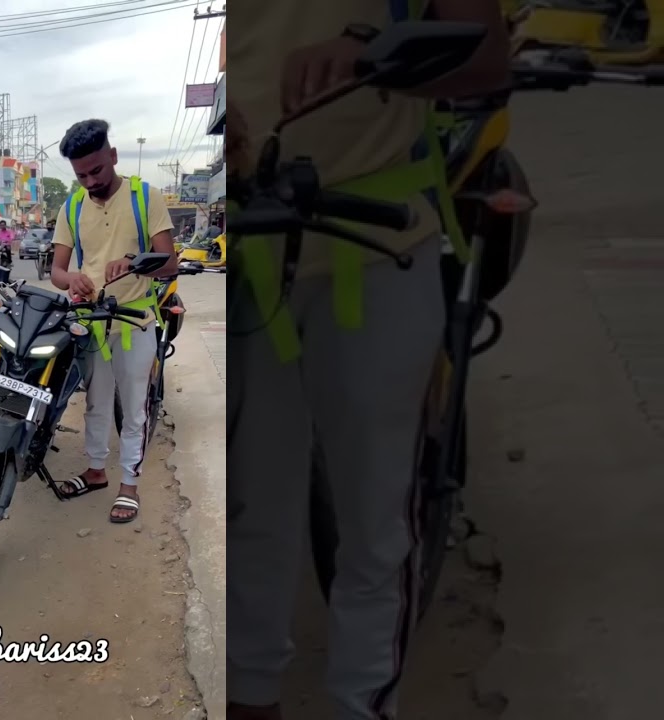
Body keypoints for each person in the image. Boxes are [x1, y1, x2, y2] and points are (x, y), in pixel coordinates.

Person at [230, 3, 509, 720]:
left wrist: (368, 53)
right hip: (247, 255)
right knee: (248, 517)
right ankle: (249, 696)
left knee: (374, 525)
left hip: (375, 245)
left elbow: (485, 59)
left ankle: (361, 706)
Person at [48, 118, 178, 523]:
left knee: (134, 407)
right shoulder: (71, 207)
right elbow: (56, 269)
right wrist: (72, 279)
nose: (89, 181)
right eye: (81, 174)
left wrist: (137, 264)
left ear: (114, 156)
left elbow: (170, 263)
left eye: (97, 170)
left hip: (135, 321)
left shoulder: (146, 197)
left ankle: (128, 485)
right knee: (95, 403)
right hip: (92, 323)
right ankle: (96, 471)